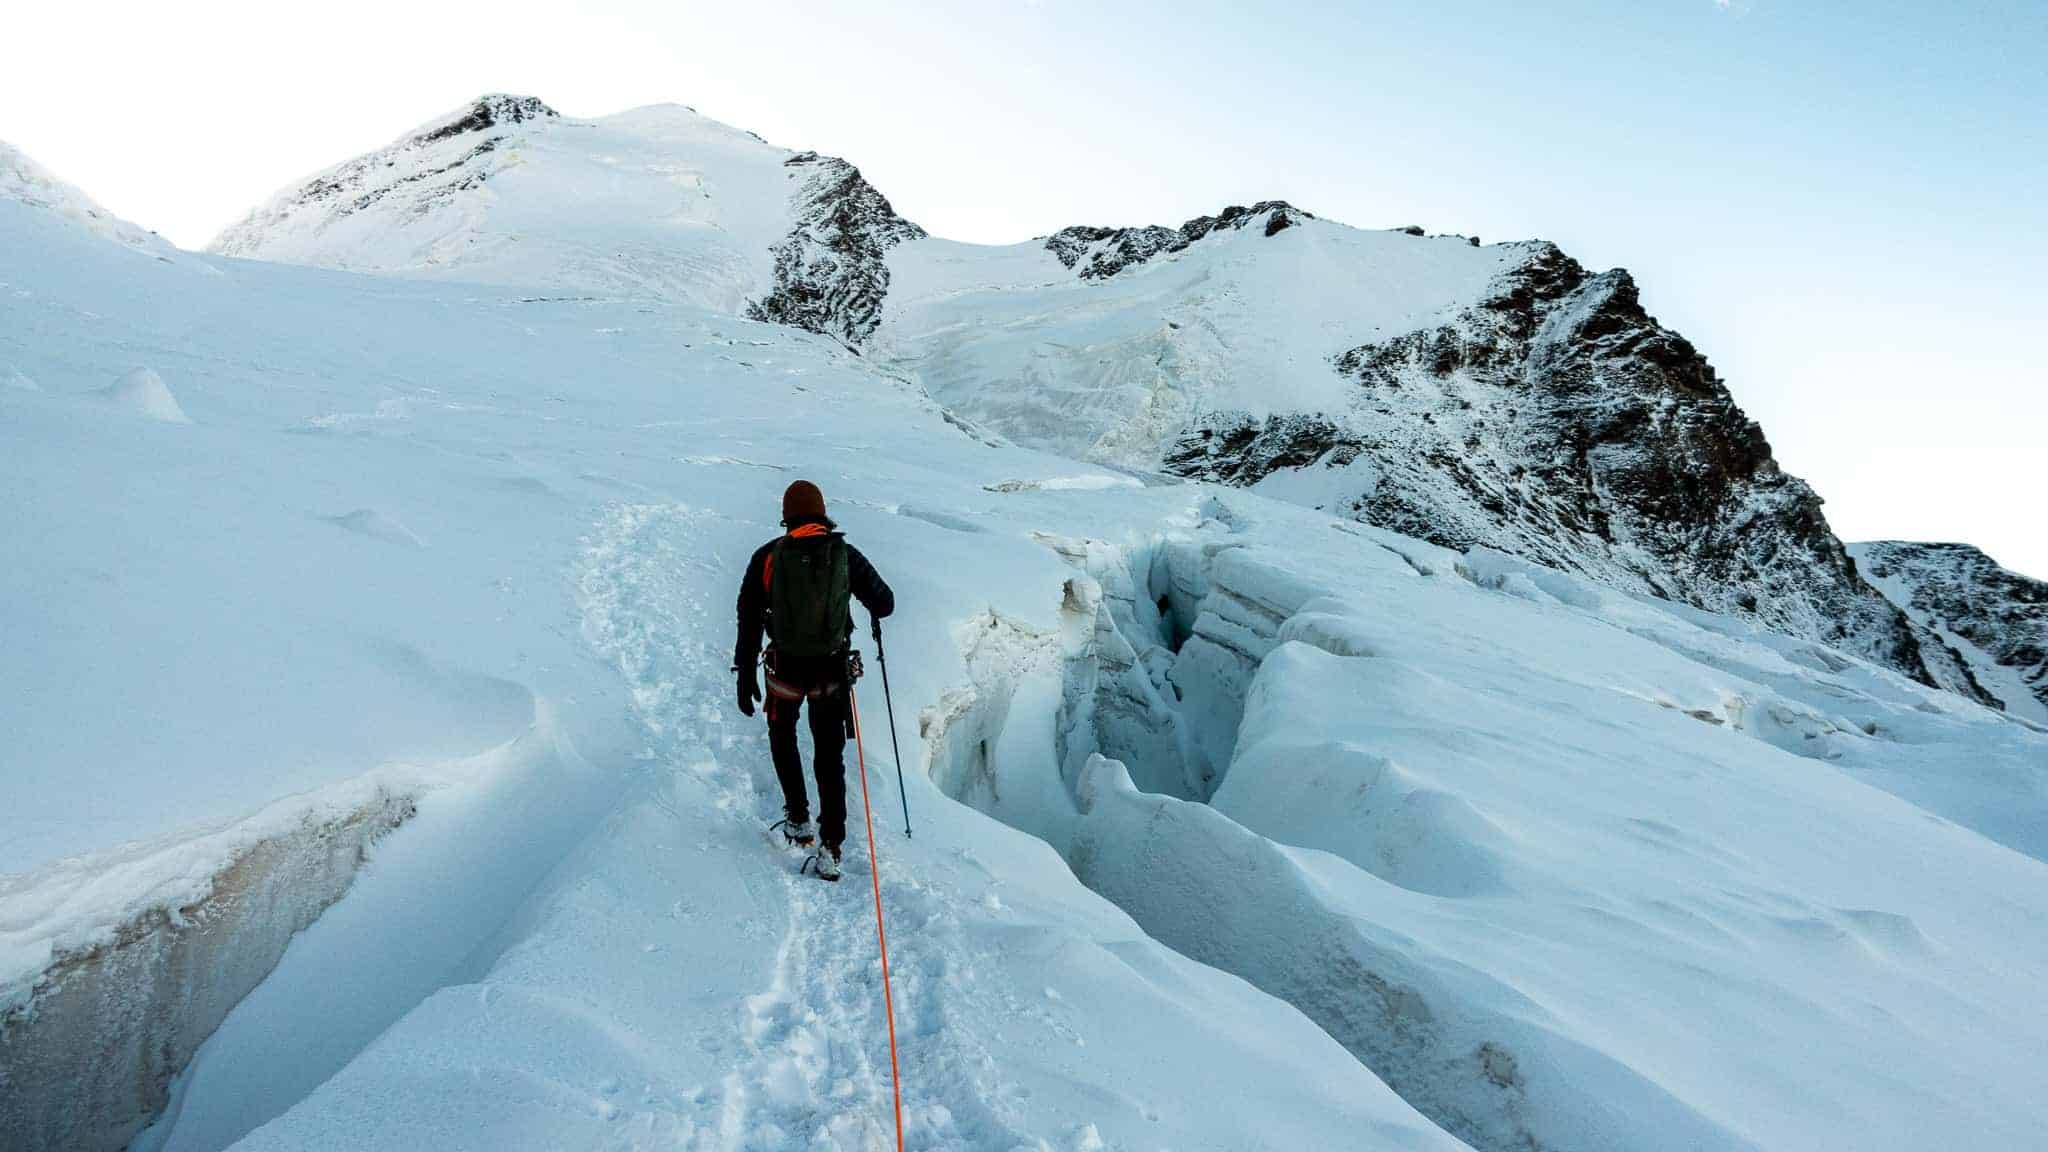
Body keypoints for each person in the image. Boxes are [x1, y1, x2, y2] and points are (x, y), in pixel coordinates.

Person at [734, 480, 894, 880]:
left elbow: (749, 615)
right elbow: (885, 602)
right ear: (823, 513)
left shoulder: (769, 557)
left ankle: (799, 819)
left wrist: (744, 671)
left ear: (786, 516)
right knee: (829, 756)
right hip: (830, 672)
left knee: (782, 736)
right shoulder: (844, 555)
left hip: (784, 671)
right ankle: (832, 847)